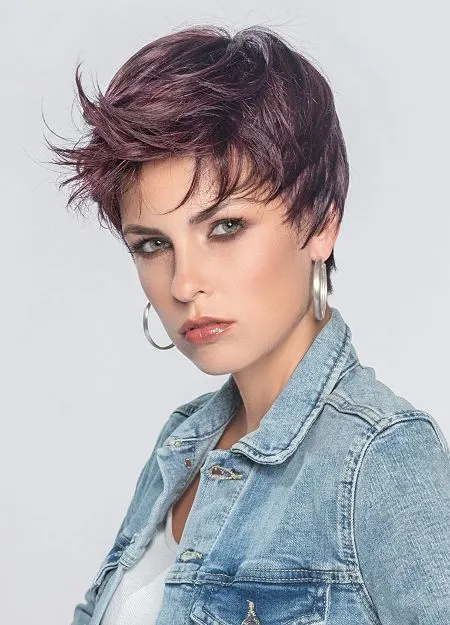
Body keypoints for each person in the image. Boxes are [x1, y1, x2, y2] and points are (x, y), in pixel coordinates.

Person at [47, 24, 450, 625]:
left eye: (225, 227)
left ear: (320, 222)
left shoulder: (381, 458)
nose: (184, 284)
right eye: (153, 244)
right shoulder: (182, 445)